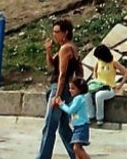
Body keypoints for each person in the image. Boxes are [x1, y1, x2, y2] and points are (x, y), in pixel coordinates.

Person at [35, 18, 81, 159]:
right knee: (64, 128)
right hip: (66, 89)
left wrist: (57, 96)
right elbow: (53, 65)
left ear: (65, 32)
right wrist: (48, 51)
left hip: (59, 88)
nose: (54, 34)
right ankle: (78, 155)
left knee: (50, 126)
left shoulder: (65, 49)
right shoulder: (70, 47)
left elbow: (62, 75)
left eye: (57, 32)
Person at [88, 44, 127, 126]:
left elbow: (125, 73)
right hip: (98, 86)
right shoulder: (98, 62)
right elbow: (94, 71)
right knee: (86, 93)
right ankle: (90, 115)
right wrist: (95, 79)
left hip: (109, 88)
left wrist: (119, 85)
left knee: (99, 96)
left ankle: (100, 118)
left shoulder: (114, 63)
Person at [59, 77, 92, 159]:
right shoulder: (77, 99)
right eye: (70, 88)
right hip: (77, 127)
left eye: (73, 88)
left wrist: (61, 104)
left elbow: (70, 110)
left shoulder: (79, 98)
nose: (70, 90)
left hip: (81, 127)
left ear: (80, 89)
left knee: (76, 148)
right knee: (77, 151)